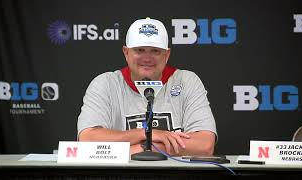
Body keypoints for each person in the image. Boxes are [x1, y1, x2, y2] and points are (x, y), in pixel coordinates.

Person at [77, 17, 217, 156]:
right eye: (140, 50)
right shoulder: (105, 84)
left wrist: (145, 148)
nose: (147, 58)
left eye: (155, 51)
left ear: (167, 55)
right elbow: (88, 139)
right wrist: (146, 133)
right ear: (126, 53)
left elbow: (204, 145)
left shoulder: (186, 81)